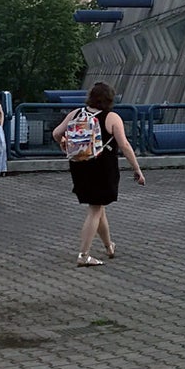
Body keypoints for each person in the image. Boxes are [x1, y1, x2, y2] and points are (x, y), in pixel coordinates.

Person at [51, 81, 144, 266]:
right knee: (95, 210)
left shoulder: (76, 113)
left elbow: (56, 133)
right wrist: (137, 169)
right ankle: (83, 255)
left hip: (79, 165)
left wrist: (64, 143)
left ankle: (109, 246)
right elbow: (124, 145)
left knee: (98, 207)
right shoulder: (112, 117)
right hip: (103, 167)